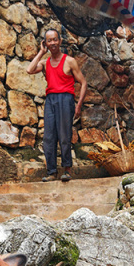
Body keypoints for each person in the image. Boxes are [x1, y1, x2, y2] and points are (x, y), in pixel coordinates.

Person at [26, 29, 87, 182]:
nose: (52, 43)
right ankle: (51, 172)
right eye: (49, 40)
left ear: (60, 41)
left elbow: (83, 83)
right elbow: (29, 70)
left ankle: (67, 170)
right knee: (48, 137)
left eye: (55, 39)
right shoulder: (45, 63)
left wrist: (79, 105)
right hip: (50, 100)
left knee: (64, 135)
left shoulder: (69, 61)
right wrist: (41, 52)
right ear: (45, 43)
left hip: (66, 99)